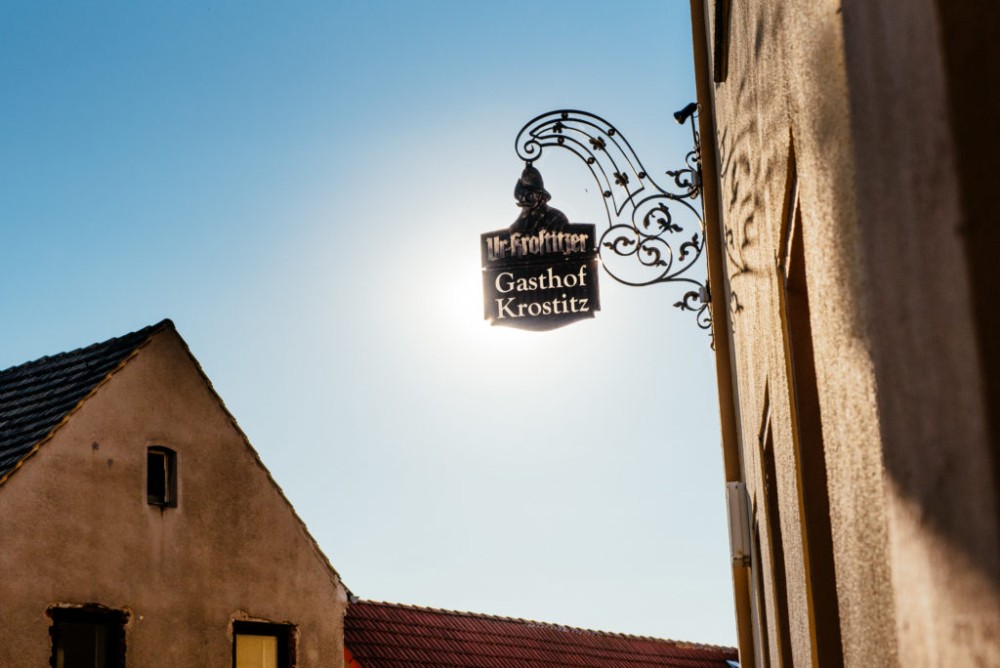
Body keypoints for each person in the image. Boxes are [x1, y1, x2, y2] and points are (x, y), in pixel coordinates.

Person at [509, 164, 569, 235]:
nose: (524, 199)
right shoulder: (519, 224)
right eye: (522, 197)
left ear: (540, 196)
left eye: (529, 195)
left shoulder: (556, 217)